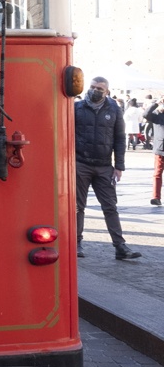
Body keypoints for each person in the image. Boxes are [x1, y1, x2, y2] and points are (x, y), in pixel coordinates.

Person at [75, 76, 140, 260]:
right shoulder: (76, 108)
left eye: (99, 89)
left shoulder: (114, 109)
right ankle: (76, 243)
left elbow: (120, 138)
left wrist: (119, 166)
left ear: (107, 92)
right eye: (92, 87)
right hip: (81, 164)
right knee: (78, 207)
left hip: (104, 166)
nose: (94, 90)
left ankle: (120, 247)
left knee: (110, 206)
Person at [143, 97, 164, 206]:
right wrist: (156, 103)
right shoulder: (158, 114)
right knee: (157, 174)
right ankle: (156, 197)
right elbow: (145, 114)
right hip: (160, 149)